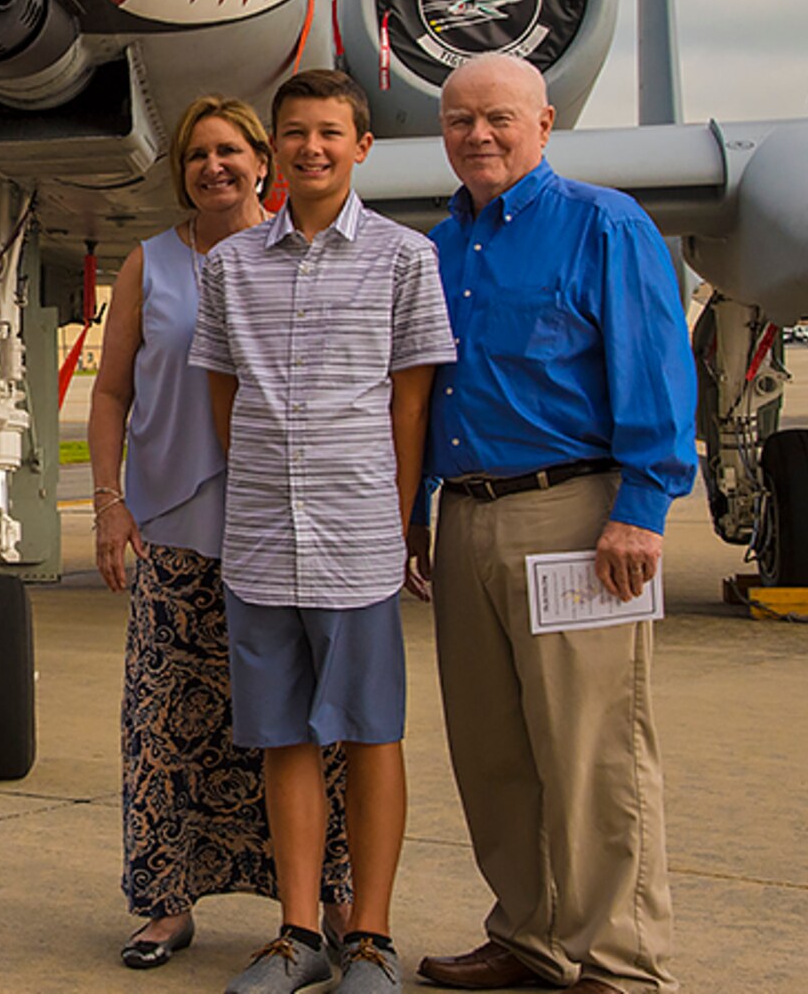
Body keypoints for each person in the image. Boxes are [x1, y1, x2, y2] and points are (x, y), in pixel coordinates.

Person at [411, 54, 695, 994]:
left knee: (593, 748)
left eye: (499, 118)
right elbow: (419, 395)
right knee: (491, 749)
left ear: (546, 121)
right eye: (460, 121)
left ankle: (619, 959)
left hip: (576, 516)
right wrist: (417, 514)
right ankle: (527, 934)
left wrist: (641, 508)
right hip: (467, 518)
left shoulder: (603, 224)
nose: (478, 136)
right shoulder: (440, 249)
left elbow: (654, 367)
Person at [190, 68, 455, 994]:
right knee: (283, 738)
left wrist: (401, 518)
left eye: (329, 133)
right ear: (275, 147)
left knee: (373, 733)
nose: (312, 148)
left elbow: (409, 407)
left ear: (361, 146)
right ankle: (298, 931)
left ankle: (371, 936)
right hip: (261, 541)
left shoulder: (403, 259)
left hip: (357, 536)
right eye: (295, 132)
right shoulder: (229, 267)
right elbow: (225, 396)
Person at [89, 95, 353, 971]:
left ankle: (319, 904)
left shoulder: (296, 253)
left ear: (262, 160)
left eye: (232, 150)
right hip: (173, 527)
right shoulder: (150, 264)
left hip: (282, 525)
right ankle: (168, 902)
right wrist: (108, 501)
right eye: (199, 154)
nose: (215, 166)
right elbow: (112, 392)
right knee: (167, 726)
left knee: (303, 721)